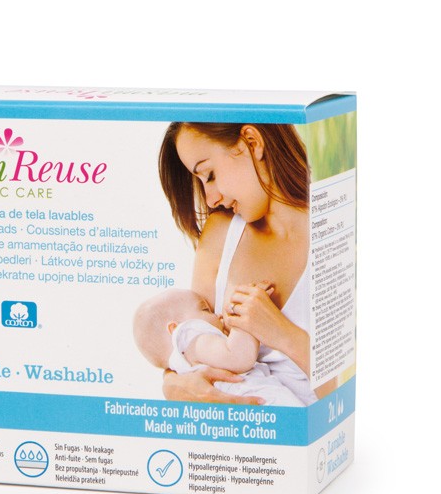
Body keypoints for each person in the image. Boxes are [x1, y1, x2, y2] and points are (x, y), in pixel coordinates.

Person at [158, 122, 333, 405]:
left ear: (252, 142)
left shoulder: (336, 233)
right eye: (201, 182)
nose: (210, 199)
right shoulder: (220, 236)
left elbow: (346, 398)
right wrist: (173, 383)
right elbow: (192, 346)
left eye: (210, 175)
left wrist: (281, 333)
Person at [132, 286, 305, 406]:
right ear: (177, 329)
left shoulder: (190, 356)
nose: (218, 315)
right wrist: (243, 317)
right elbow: (237, 357)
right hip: (262, 402)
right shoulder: (192, 341)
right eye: (206, 310)